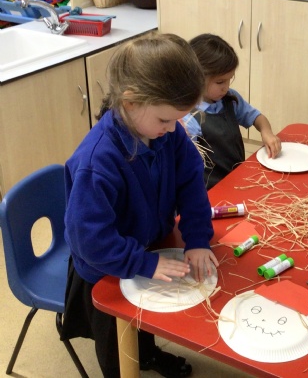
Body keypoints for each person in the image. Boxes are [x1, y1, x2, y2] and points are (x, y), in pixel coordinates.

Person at [61, 34, 219, 378]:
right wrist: (141, 262)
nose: (173, 128)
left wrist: (197, 239)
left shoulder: (166, 132)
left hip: (147, 245)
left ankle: (148, 355)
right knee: (117, 344)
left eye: (177, 119)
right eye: (164, 120)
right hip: (106, 265)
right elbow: (89, 240)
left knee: (146, 319)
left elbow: (191, 182)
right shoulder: (97, 162)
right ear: (130, 102)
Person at [182, 33, 281, 189]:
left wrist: (266, 132)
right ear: (197, 77)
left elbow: (257, 117)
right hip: (211, 189)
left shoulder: (230, 98)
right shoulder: (188, 117)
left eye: (230, 79)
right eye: (220, 82)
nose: (226, 87)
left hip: (237, 177)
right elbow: (187, 167)